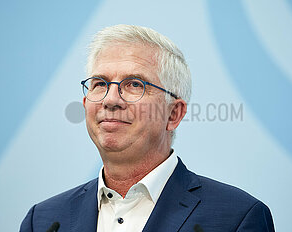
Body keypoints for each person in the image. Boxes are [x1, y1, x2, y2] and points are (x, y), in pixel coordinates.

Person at [20, 24, 275, 232]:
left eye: (134, 84)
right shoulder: (43, 221)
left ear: (173, 113)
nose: (110, 100)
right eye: (100, 83)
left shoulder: (237, 218)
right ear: (86, 104)